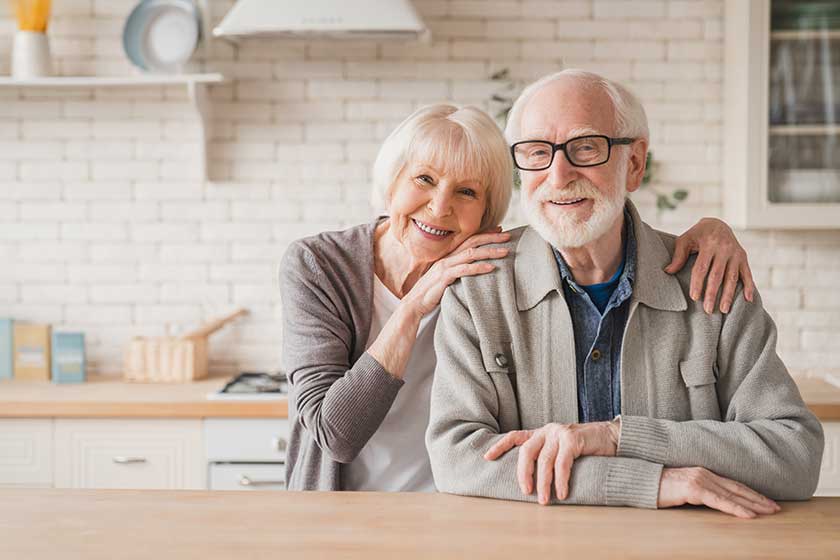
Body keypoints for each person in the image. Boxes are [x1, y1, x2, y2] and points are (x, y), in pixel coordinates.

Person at [280, 102, 757, 492]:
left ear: (489, 217)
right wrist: (413, 306)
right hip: (343, 511)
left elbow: (587, 226)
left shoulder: (485, 270)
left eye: (466, 192)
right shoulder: (319, 264)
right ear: (392, 180)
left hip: (464, 507)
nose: (440, 207)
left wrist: (714, 231)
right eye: (423, 180)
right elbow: (334, 435)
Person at [426, 70, 824, 517]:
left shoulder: (712, 281)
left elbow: (795, 456)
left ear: (634, 164)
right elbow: (457, 459)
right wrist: (649, 482)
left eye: (586, 148)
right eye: (537, 152)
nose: (558, 176)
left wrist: (618, 437)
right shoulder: (478, 289)